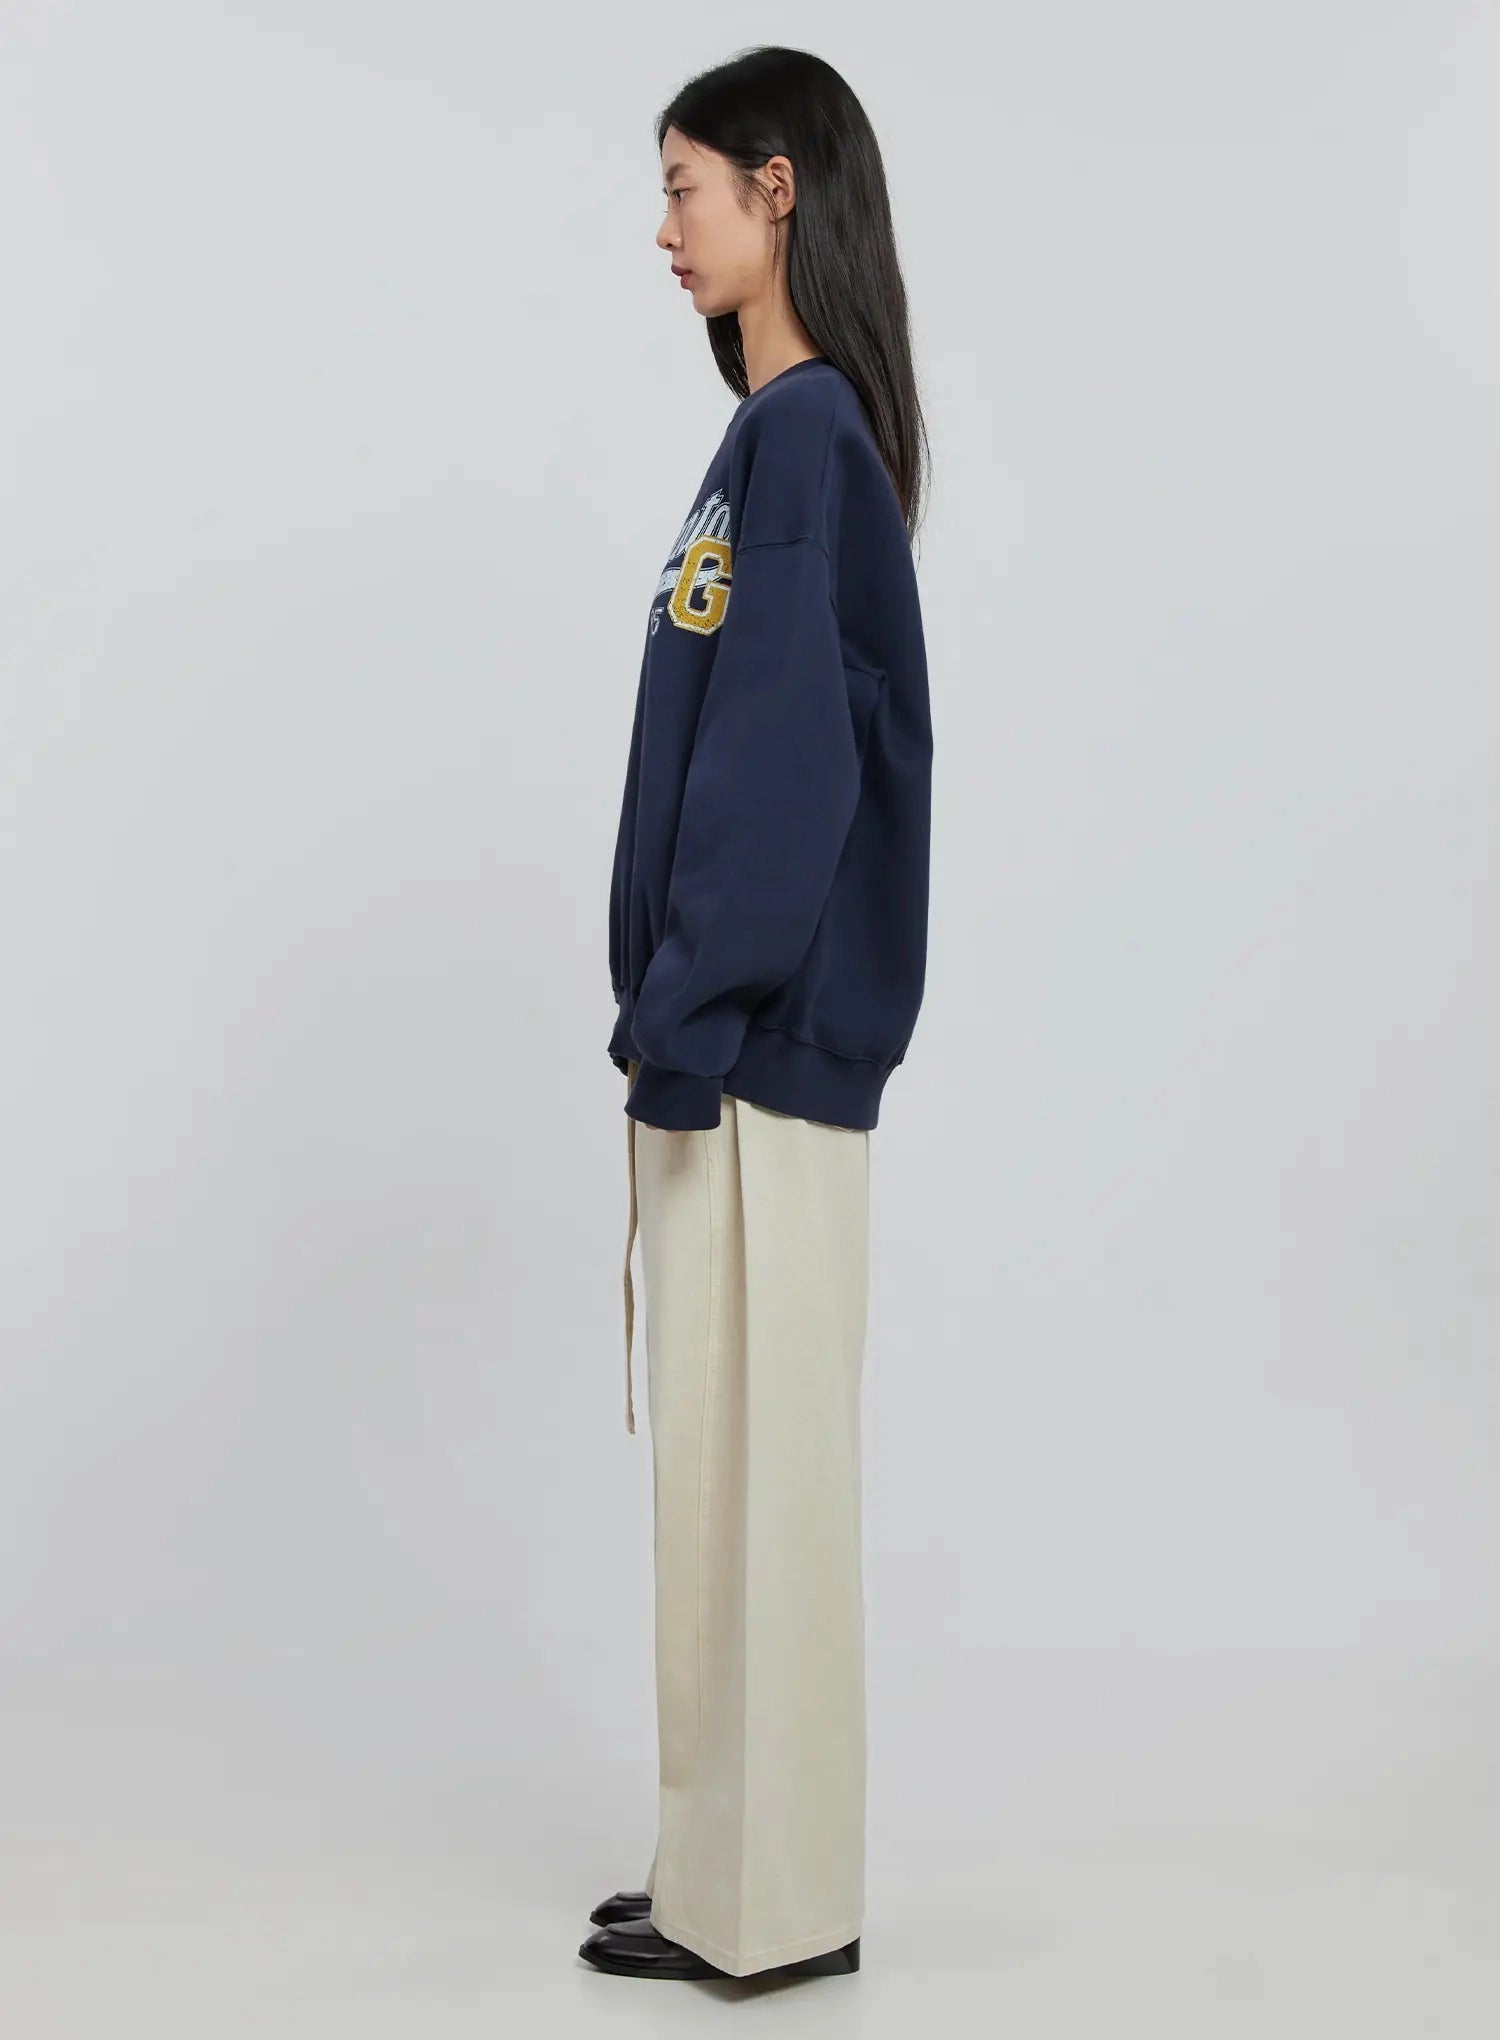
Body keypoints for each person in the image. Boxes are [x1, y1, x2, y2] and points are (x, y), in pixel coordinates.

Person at [579, 44, 932, 1985]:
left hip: (756, 1057)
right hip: (730, 1045)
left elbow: (786, 767)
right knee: (720, 1488)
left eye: (686, 185)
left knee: (762, 1487)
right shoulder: (779, 439)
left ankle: (775, 1910)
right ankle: (720, 1863)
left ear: (779, 189)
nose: (665, 228)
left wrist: (691, 1012)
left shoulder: (803, 441)